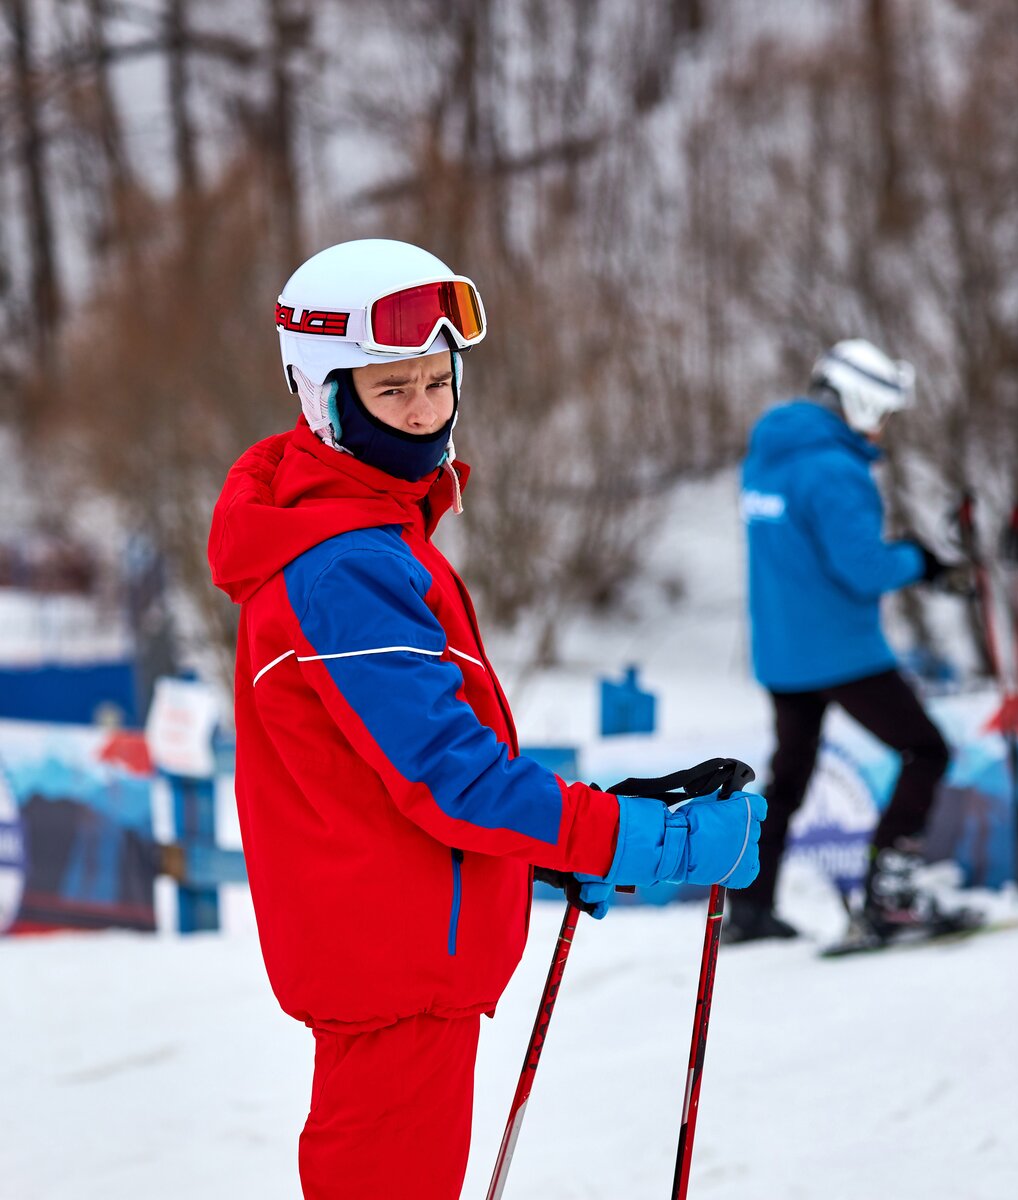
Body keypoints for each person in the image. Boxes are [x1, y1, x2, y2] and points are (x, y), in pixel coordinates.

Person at [207, 238, 765, 1199]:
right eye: (390, 391)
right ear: (323, 399)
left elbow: (389, 768)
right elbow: (450, 776)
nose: (424, 411)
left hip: (405, 973)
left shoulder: (368, 538)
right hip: (395, 987)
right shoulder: (346, 569)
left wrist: (541, 850)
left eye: (437, 379)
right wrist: (643, 843)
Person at [731, 338, 959, 944]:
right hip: (843, 653)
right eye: (882, 413)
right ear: (857, 404)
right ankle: (890, 901)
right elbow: (863, 570)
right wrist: (920, 561)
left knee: (790, 779)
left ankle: (750, 910)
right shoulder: (836, 469)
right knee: (927, 751)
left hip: (782, 654)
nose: (883, 429)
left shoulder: (766, 457)